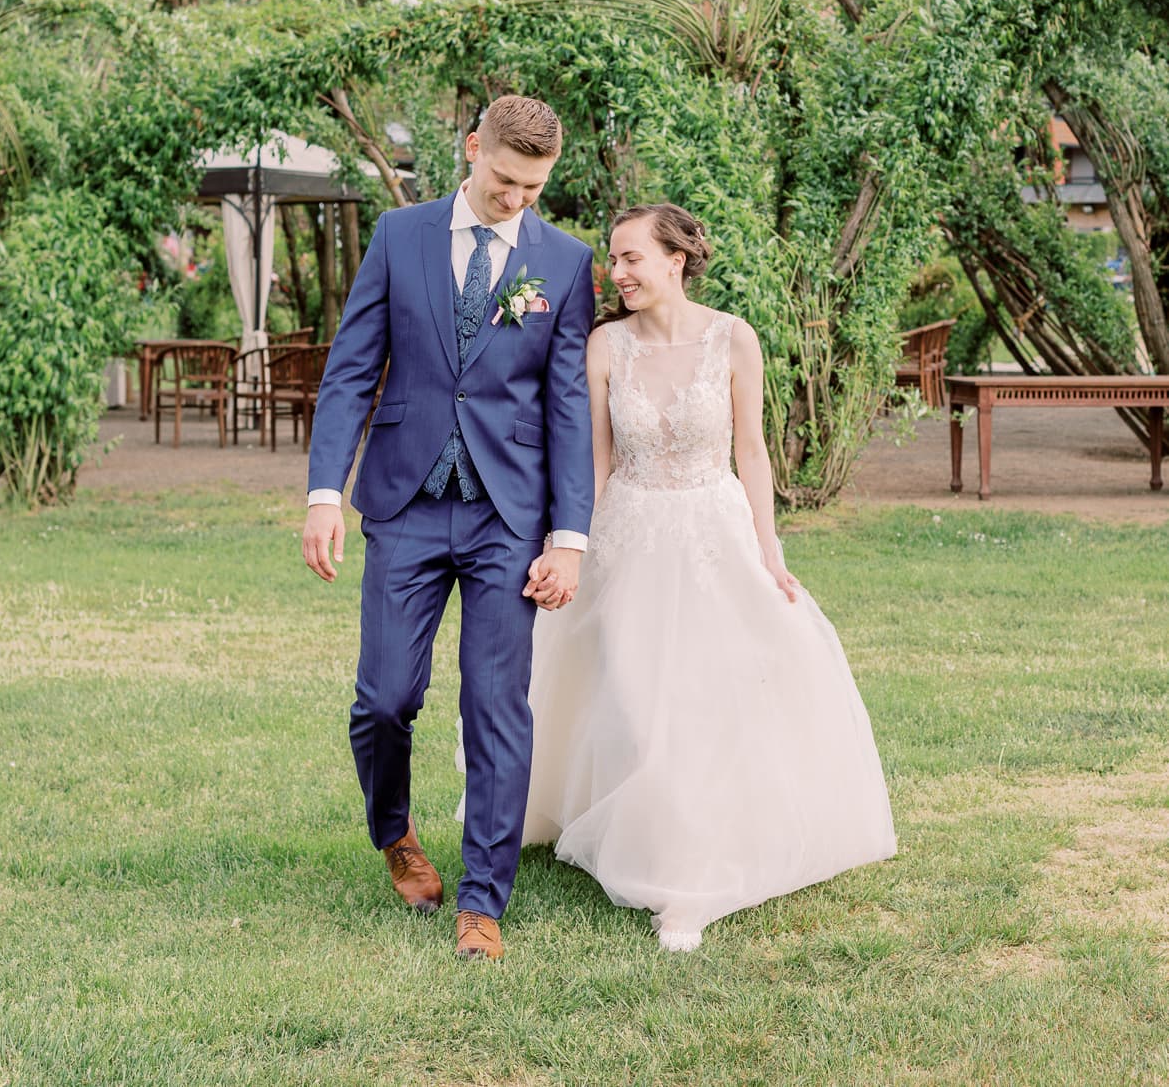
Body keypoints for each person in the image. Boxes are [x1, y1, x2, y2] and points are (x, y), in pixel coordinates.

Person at [523, 203, 896, 952]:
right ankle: (643, 835)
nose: (617, 273)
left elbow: (752, 452)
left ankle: (687, 884)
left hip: (711, 532)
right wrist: (572, 545)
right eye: (614, 261)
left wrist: (770, 547)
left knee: (703, 702)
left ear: (676, 259)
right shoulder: (605, 347)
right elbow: (595, 460)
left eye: (632, 258)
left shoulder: (734, 338)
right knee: (631, 700)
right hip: (629, 532)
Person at [302, 96, 595, 962]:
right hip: (406, 500)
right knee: (384, 697)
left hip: (511, 513)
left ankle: (482, 900)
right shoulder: (399, 236)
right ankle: (394, 831)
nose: (516, 200)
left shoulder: (565, 264)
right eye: (505, 180)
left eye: (533, 188)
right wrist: (326, 490)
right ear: (472, 149)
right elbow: (351, 369)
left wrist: (569, 537)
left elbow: (569, 408)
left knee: (496, 704)